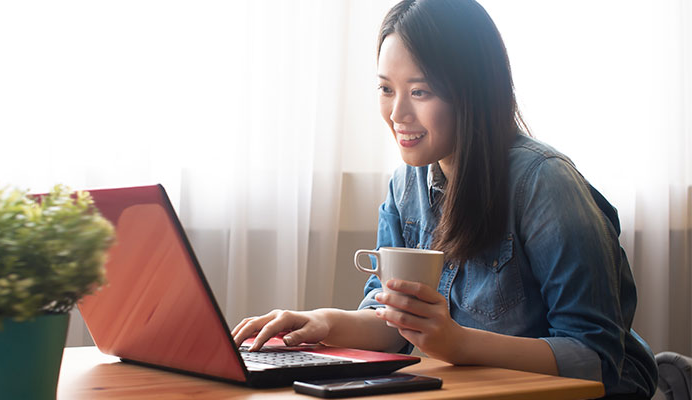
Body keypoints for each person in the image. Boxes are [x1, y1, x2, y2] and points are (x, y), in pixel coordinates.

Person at [228, 0, 658, 398]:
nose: (397, 114)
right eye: (385, 89)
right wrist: (321, 322)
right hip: (480, 387)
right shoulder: (404, 186)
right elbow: (394, 323)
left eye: (420, 91)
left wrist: (458, 343)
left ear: (472, 92)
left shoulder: (544, 183)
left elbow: (595, 360)